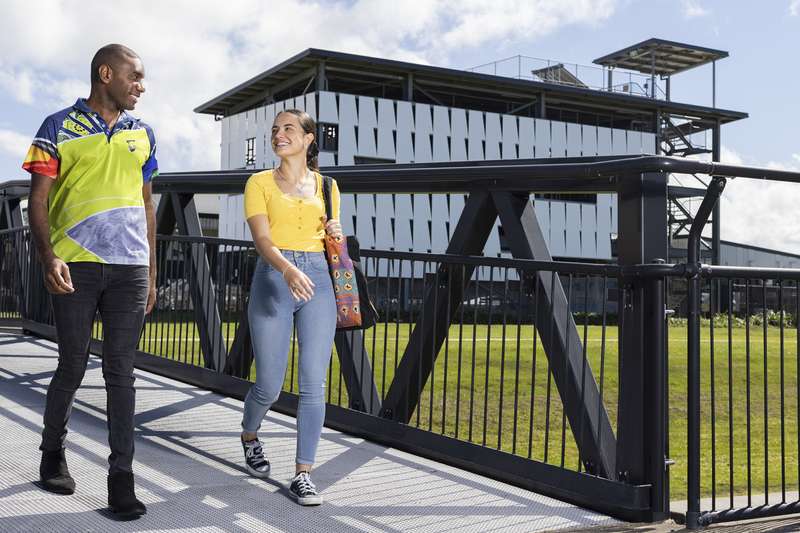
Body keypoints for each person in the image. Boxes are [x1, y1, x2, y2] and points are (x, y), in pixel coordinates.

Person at [23, 43, 157, 519]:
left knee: (122, 372)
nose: (141, 85)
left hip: (130, 271)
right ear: (106, 74)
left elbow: (146, 203)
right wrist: (47, 256)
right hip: (74, 266)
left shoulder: (144, 134)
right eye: (135, 76)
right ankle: (51, 453)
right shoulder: (56, 126)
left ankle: (121, 478)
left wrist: (152, 270)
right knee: (73, 366)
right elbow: (37, 200)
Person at [241, 108, 342, 506]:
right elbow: (262, 240)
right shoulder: (259, 182)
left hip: (318, 280)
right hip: (274, 278)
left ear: (308, 138)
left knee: (313, 384)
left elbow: (333, 240)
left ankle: (303, 473)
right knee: (268, 383)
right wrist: (285, 269)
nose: (279, 134)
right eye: (275, 129)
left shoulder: (328, 185)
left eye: (288, 128)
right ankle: (250, 433)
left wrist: (336, 233)